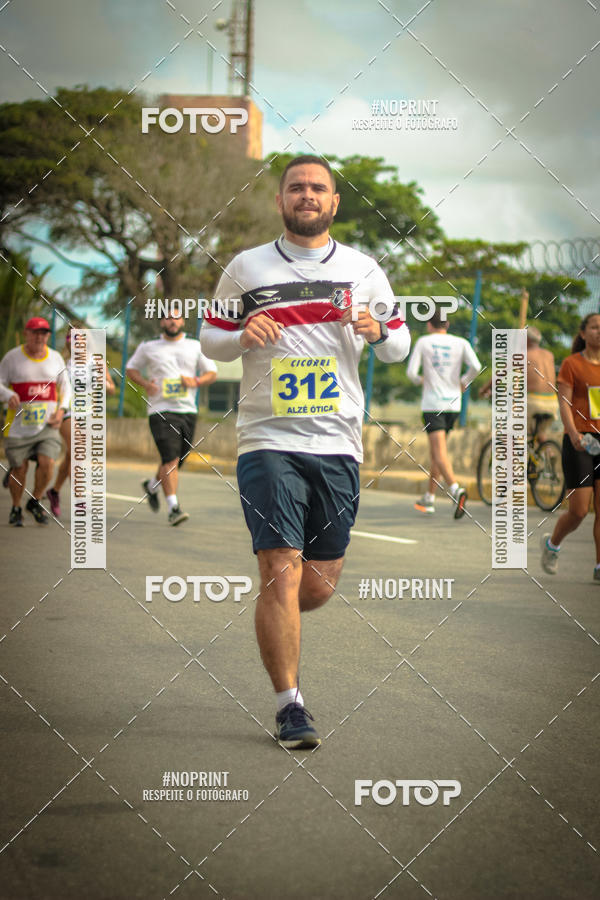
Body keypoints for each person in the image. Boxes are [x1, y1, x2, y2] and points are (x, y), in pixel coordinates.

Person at [200, 154, 411, 749]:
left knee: (315, 586)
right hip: (267, 438)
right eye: (296, 187)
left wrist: (378, 331)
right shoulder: (247, 267)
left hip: (338, 442)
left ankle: (281, 609)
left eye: (318, 187)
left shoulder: (364, 270)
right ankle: (289, 705)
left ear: (334, 202)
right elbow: (211, 338)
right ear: (281, 200)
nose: (307, 195)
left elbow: (399, 344)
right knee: (279, 569)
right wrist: (242, 334)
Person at [126, 311, 217, 525]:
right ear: (161, 322)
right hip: (160, 410)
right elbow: (131, 369)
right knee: (170, 459)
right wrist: (146, 384)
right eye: (167, 318)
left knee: (177, 460)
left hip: (187, 411)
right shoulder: (149, 346)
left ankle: (151, 486)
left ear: (182, 321)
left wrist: (196, 381)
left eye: (176, 317)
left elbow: (212, 373)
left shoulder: (195, 345)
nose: (172, 321)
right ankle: (173, 508)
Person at [541, 312, 600, 582]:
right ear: (583, 333)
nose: (599, 331)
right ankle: (552, 544)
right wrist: (574, 433)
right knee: (579, 510)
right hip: (580, 441)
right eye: (594, 327)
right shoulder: (572, 364)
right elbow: (563, 403)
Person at [407, 309, 481, 517]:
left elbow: (411, 373)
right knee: (437, 454)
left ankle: (456, 490)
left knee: (439, 453)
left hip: (433, 405)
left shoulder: (424, 342)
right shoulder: (461, 343)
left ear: (429, 325)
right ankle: (429, 498)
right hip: (453, 406)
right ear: (447, 325)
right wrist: (464, 381)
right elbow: (476, 366)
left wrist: (421, 381)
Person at [0, 316, 71, 526]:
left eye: (44, 333)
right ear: (26, 334)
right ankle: (16, 507)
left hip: (47, 425)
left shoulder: (55, 358)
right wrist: (7, 394)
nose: (40, 337)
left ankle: (35, 500)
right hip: (18, 427)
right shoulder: (12, 358)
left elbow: (66, 387)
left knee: (48, 463)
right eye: (35, 333)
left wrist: (61, 410)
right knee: (19, 469)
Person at [46, 328, 116, 517]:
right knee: (78, 452)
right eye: (74, 338)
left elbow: (112, 389)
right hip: (68, 413)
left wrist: (104, 383)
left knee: (71, 455)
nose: (78, 342)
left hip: (88, 415)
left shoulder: (97, 362)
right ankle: (80, 502)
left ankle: (54, 491)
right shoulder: (62, 364)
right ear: (69, 342)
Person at [525, 325, 558, 442]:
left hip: (534, 402)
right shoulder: (549, 355)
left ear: (527, 339)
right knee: (540, 433)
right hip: (552, 403)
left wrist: (484, 389)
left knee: (512, 428)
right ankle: (546, 450)